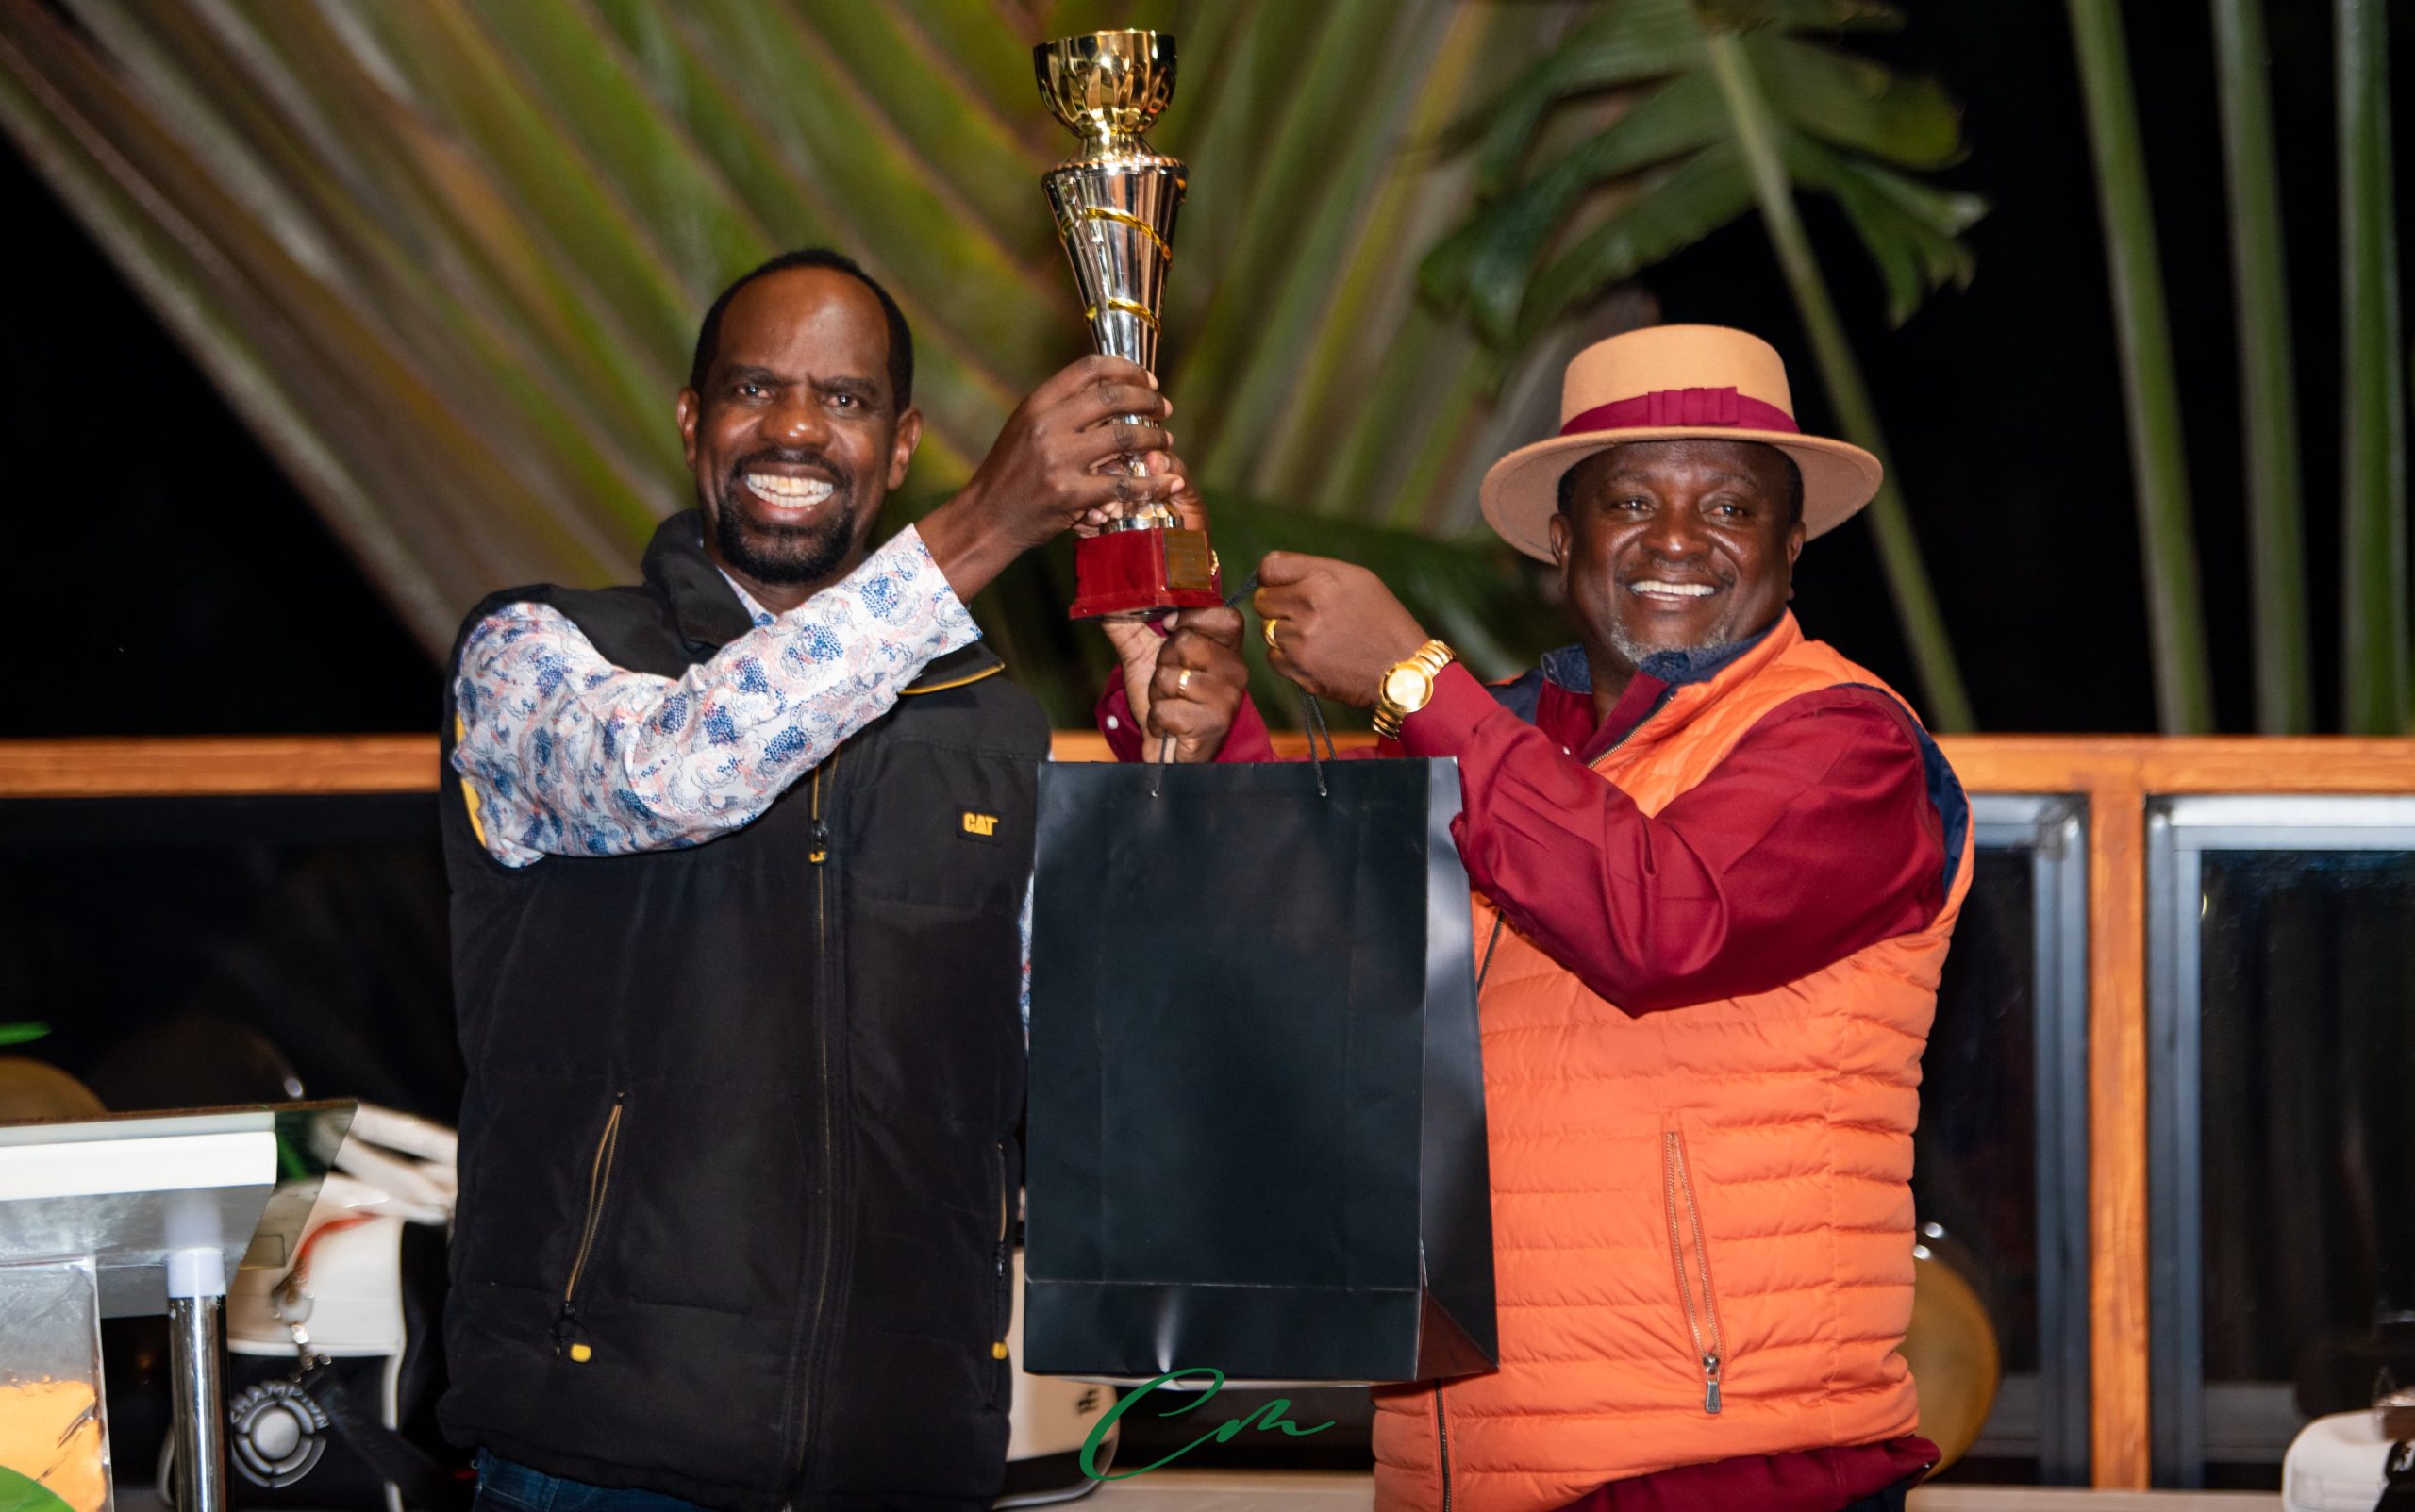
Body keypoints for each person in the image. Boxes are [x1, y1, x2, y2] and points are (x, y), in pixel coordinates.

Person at [1105, 324, 1971, 1512]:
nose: (1676, 540)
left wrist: (1412, 675)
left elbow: (1661, 922)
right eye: (1629, 501)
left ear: (1792, 542)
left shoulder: (1844, 740)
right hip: (1447, 1472)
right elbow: (1303, 979)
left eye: (1727, 505)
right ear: (1564, 539)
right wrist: (1199, 737)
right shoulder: (1503, 741)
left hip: (1726, 1474)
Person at [437, 247, 1215, 1512]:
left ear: (901, 443)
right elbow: (678, 771)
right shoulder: (540, 652)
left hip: (903, 1457)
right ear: (693, 421)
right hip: (605, 1453)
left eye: (845, 401)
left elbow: (1097, 1061)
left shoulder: (990, 730)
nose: (795, 427)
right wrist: (983, 528)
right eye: (756, 389)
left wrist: (1173, 752)